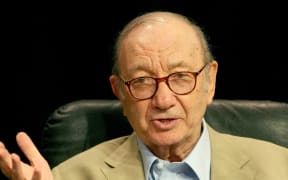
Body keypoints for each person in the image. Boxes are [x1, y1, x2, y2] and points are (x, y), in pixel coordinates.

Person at [0, 11, 287, 180]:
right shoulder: (69, 177)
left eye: (180, 77)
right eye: (142, 82)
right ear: (119, 92)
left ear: (210, 82)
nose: (163, 100)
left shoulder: (280, 168)